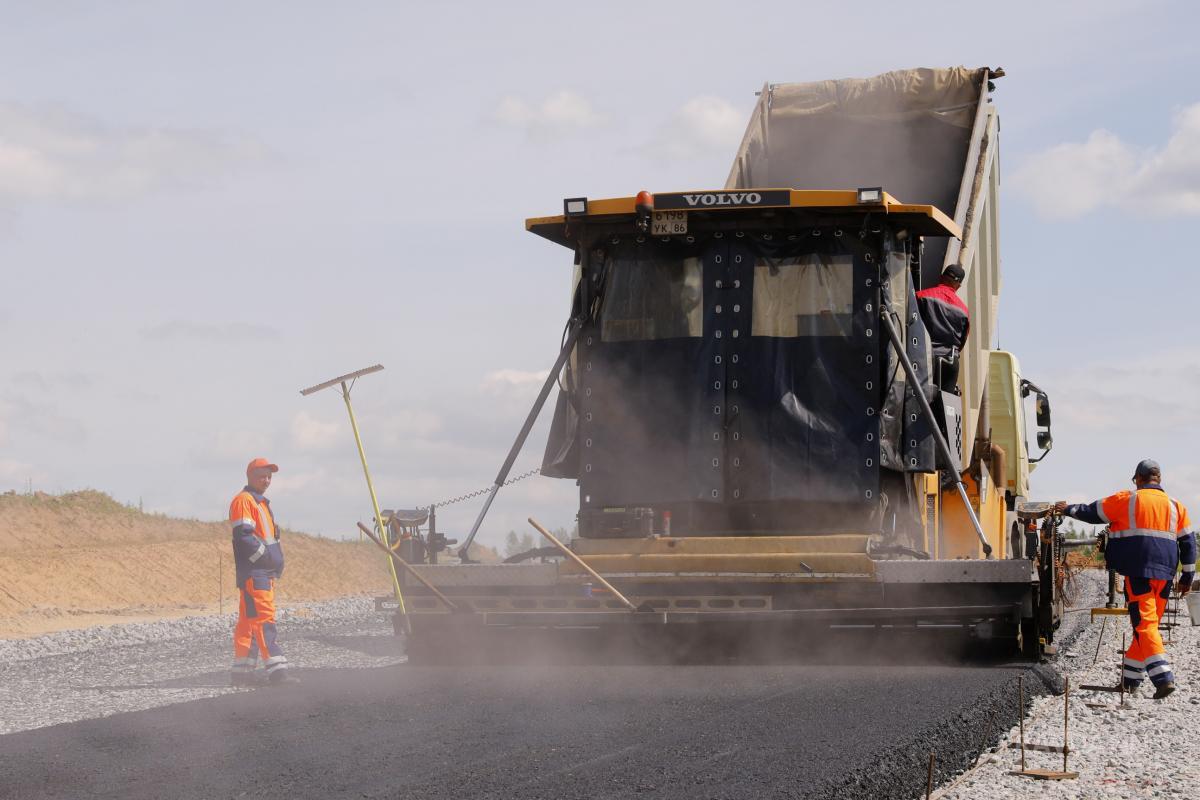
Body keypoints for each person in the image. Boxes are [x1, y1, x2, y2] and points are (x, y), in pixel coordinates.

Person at [1055, 460, 1194, 699]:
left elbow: (1092, 512)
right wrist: (1188, 576)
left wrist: (1067, 509)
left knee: (1145, 626)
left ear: (1138, 479)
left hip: (1138, 570)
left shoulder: (1127, 499)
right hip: (1166, 575)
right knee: (1145, 628)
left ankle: (1163, 678)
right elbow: (1189, 544)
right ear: (1158, 478)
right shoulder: (1176, 506)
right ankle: (1130, 681)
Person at [229, 458, 297, 686]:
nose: (266, 480)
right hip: (257, 573)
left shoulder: (260, 503)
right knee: (264, 618)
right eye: (262, 476)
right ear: (250, 476)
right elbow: (244, 536)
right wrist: (266, 559)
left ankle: (242, 673)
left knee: (249, 622)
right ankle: (278, 672)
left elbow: (264, 538)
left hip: (260, 572)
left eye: (269, 476)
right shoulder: (245, 501)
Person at [916, 264, 970, 391]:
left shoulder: (921, 296)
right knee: (944, 406)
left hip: (925, 359)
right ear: (958, 285)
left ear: (941, 277)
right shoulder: (964, 311)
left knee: (918, 403)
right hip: (950, 362)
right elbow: (962, 342)